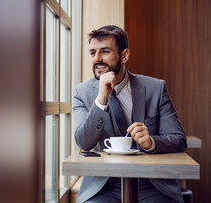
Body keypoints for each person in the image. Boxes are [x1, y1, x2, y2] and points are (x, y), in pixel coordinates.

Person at [73, 25, 187, 203]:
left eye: (105, 51)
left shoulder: (156, 88)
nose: (97, 59)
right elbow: (84, 142)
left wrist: (151, 142)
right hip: (103, 185)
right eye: (92, 52)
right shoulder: (82, 92)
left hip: (151, 184)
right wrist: (101, 99)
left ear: (124, 55)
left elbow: (179, 139)